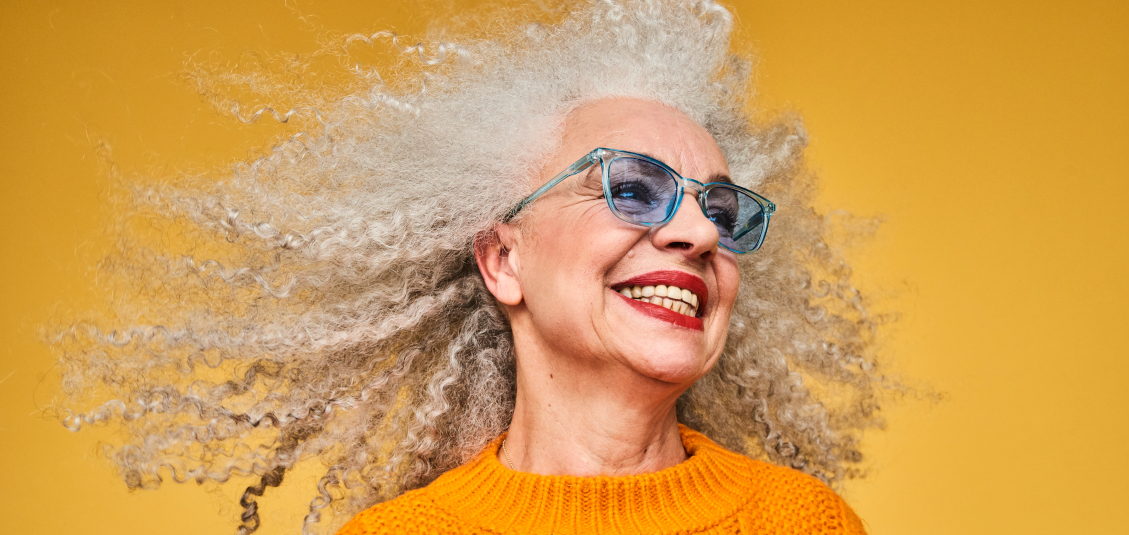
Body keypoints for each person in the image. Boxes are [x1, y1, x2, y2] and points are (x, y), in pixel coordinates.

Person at [53, 1, 884, 533]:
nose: (699, 233)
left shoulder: (803, 522)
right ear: (502, 258)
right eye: (632, 188)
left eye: (723, 209)